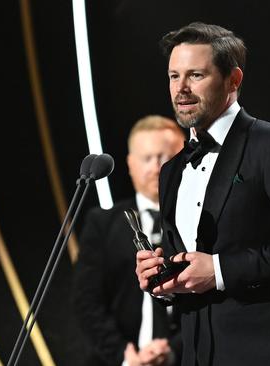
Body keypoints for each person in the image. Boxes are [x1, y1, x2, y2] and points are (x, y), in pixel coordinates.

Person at [134, 22, 270, 366]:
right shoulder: (171, 170)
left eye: (195, 75)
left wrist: (218, 270)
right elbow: (187, 271)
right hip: (199, 353)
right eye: (173, 76)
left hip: (269, 350)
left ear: (234, 80)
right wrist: (161, 278)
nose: (181, 89)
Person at [73, 115, 185, 366]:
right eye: (147, 158)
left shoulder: (203, 219)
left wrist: (174, 350)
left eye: (165, 157)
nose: (156, 167)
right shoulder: (102, 223)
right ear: (130, 164)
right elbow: (87, 301)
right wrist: (125, 356)